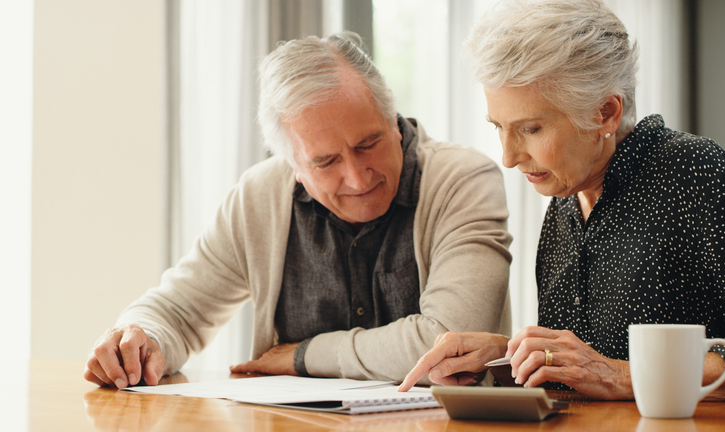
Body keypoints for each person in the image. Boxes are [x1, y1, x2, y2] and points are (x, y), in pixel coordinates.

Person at [399, 0, 725, 402]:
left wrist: (622, 376)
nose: (508, 157)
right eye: (499, 127)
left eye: (531, 129)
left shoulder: (695, 173)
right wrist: (505, 357)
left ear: (606, 113)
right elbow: (590, 368)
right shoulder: (565, 198)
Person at [84, 32, 512, 389]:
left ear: (393, 121)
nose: (357, 178)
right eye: (326, 162)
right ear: (294, 167)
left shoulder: (463, 180)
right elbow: (177, 311)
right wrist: (139, 337)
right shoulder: (259, 196)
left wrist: (303, 356)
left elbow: (449, 341)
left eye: (368, 144)